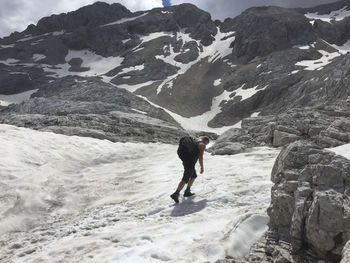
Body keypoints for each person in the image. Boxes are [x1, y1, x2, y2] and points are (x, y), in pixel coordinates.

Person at [170, 136, 210, 203]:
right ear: (205, 141)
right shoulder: (202, 145)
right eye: (207, 143)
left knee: (194, 176)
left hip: (187, 162)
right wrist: (202, 167)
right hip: (189, 163)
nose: (206, 145)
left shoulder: (195, 143)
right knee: (185, 179)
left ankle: (187, 191)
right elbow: (200, 157)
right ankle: (176, 194)